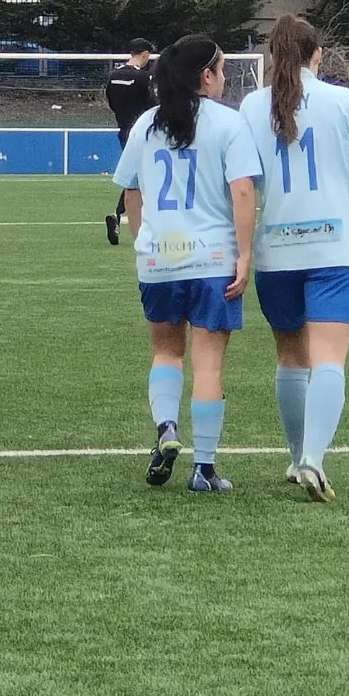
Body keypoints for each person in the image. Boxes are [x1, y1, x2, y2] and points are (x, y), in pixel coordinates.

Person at [239, 14, 349, 503]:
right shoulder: (342, 101)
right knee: (330, 358)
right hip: (333, 248)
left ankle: (294, 458)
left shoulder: (249, 106)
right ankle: (313, 459)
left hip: (276, 250)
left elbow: (245, 184)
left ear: (271, 57)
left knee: (290, 357)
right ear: (317, 54)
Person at [113, 35, 261, 493]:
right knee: (209, 362)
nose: (224, 79)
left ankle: (166, 429)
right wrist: (245, 253)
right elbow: (242, 191)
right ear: (205, 76)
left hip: (159, 259)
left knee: (165, 352)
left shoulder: (144, 126)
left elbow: (130, 191)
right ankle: (205, 468)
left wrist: (144, 240)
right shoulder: (229, 124)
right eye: (221, 70)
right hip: (212, 259)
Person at [105, 38, 155, 245]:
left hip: (123, 129)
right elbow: (152, 106)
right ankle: (118, 214)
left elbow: (111, 102)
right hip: (142, 133)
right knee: (140, 178)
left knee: (137, 176)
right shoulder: (143, 78)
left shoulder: (113, 76)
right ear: (144, 54)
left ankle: (119, 216)